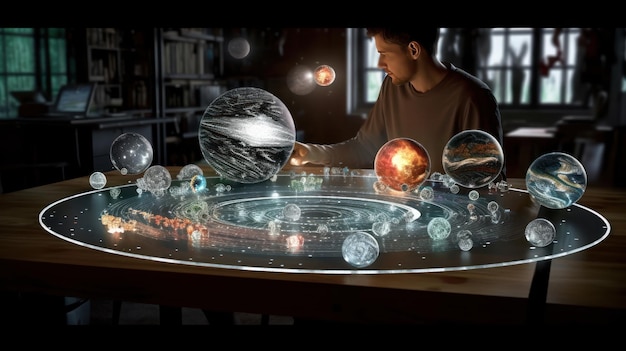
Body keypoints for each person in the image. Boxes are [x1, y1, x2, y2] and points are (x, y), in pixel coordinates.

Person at [290, 27, 505, 180]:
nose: (380, 64)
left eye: (384, 54)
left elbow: (489, 180)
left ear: (413, 50)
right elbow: (365, 147)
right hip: (404, 209)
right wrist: (312, 152)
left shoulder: (473, 97)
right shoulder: (392, 87)